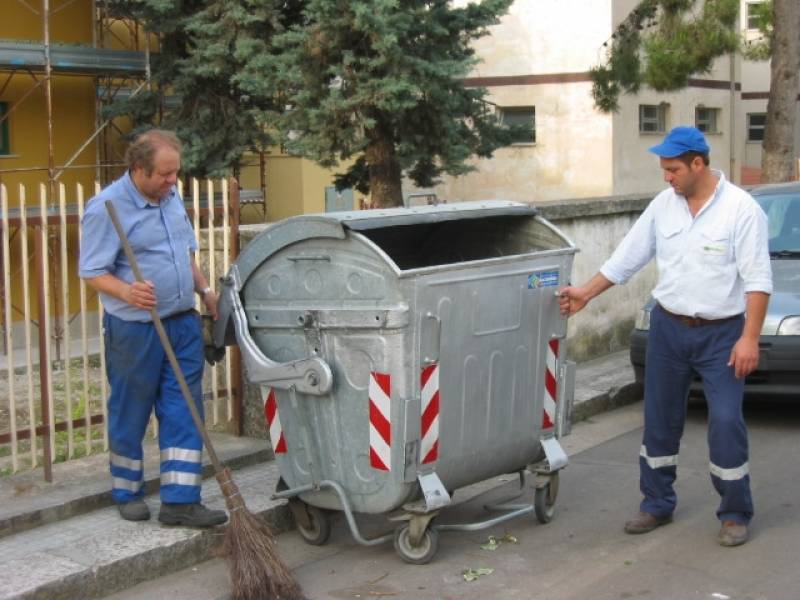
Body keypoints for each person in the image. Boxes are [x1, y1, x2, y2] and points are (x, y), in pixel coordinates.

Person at [559, 126, 771, 547]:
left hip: (722, 335)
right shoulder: (663, 205)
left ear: (698, 164)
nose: (666, 177)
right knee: (659, 420)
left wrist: (749, 338)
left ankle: (734, 512)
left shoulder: (742, 211)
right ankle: (657, 503)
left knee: (726, 422)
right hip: (669, 329)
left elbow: (758, 281)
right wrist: (585, 292)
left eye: (672, 169)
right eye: (663, 169)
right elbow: (627, 258)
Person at [79, 129, 227, 528]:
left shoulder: (171, 197)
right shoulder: (106, 207)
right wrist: (127, 291)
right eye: (164, 175)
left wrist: (206, 291)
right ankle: (127, 490)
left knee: (185, 409)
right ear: (139, 169)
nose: (172, 181)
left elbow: (185, 253)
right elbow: (92, 271)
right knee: (132, 408)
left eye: (175, 173)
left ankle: (180, 500)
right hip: (136, 329)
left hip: (181, 322)